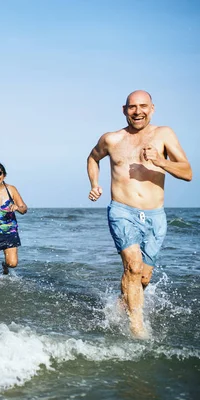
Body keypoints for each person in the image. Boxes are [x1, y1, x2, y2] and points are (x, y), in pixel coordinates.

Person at [87, 90, 192, 338]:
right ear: (124, 110)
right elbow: (93, 158)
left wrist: (161, 161)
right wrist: (94, 184)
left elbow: (187, 172)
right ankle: (138, 331)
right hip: (122, 210)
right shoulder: (111, 139)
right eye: (132, 107)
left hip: (155, 215)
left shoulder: (164, 134)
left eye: (143, 106)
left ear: (152, 108)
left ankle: (121, 306)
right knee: (133, 267)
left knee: (142, 277)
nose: (138, 111)